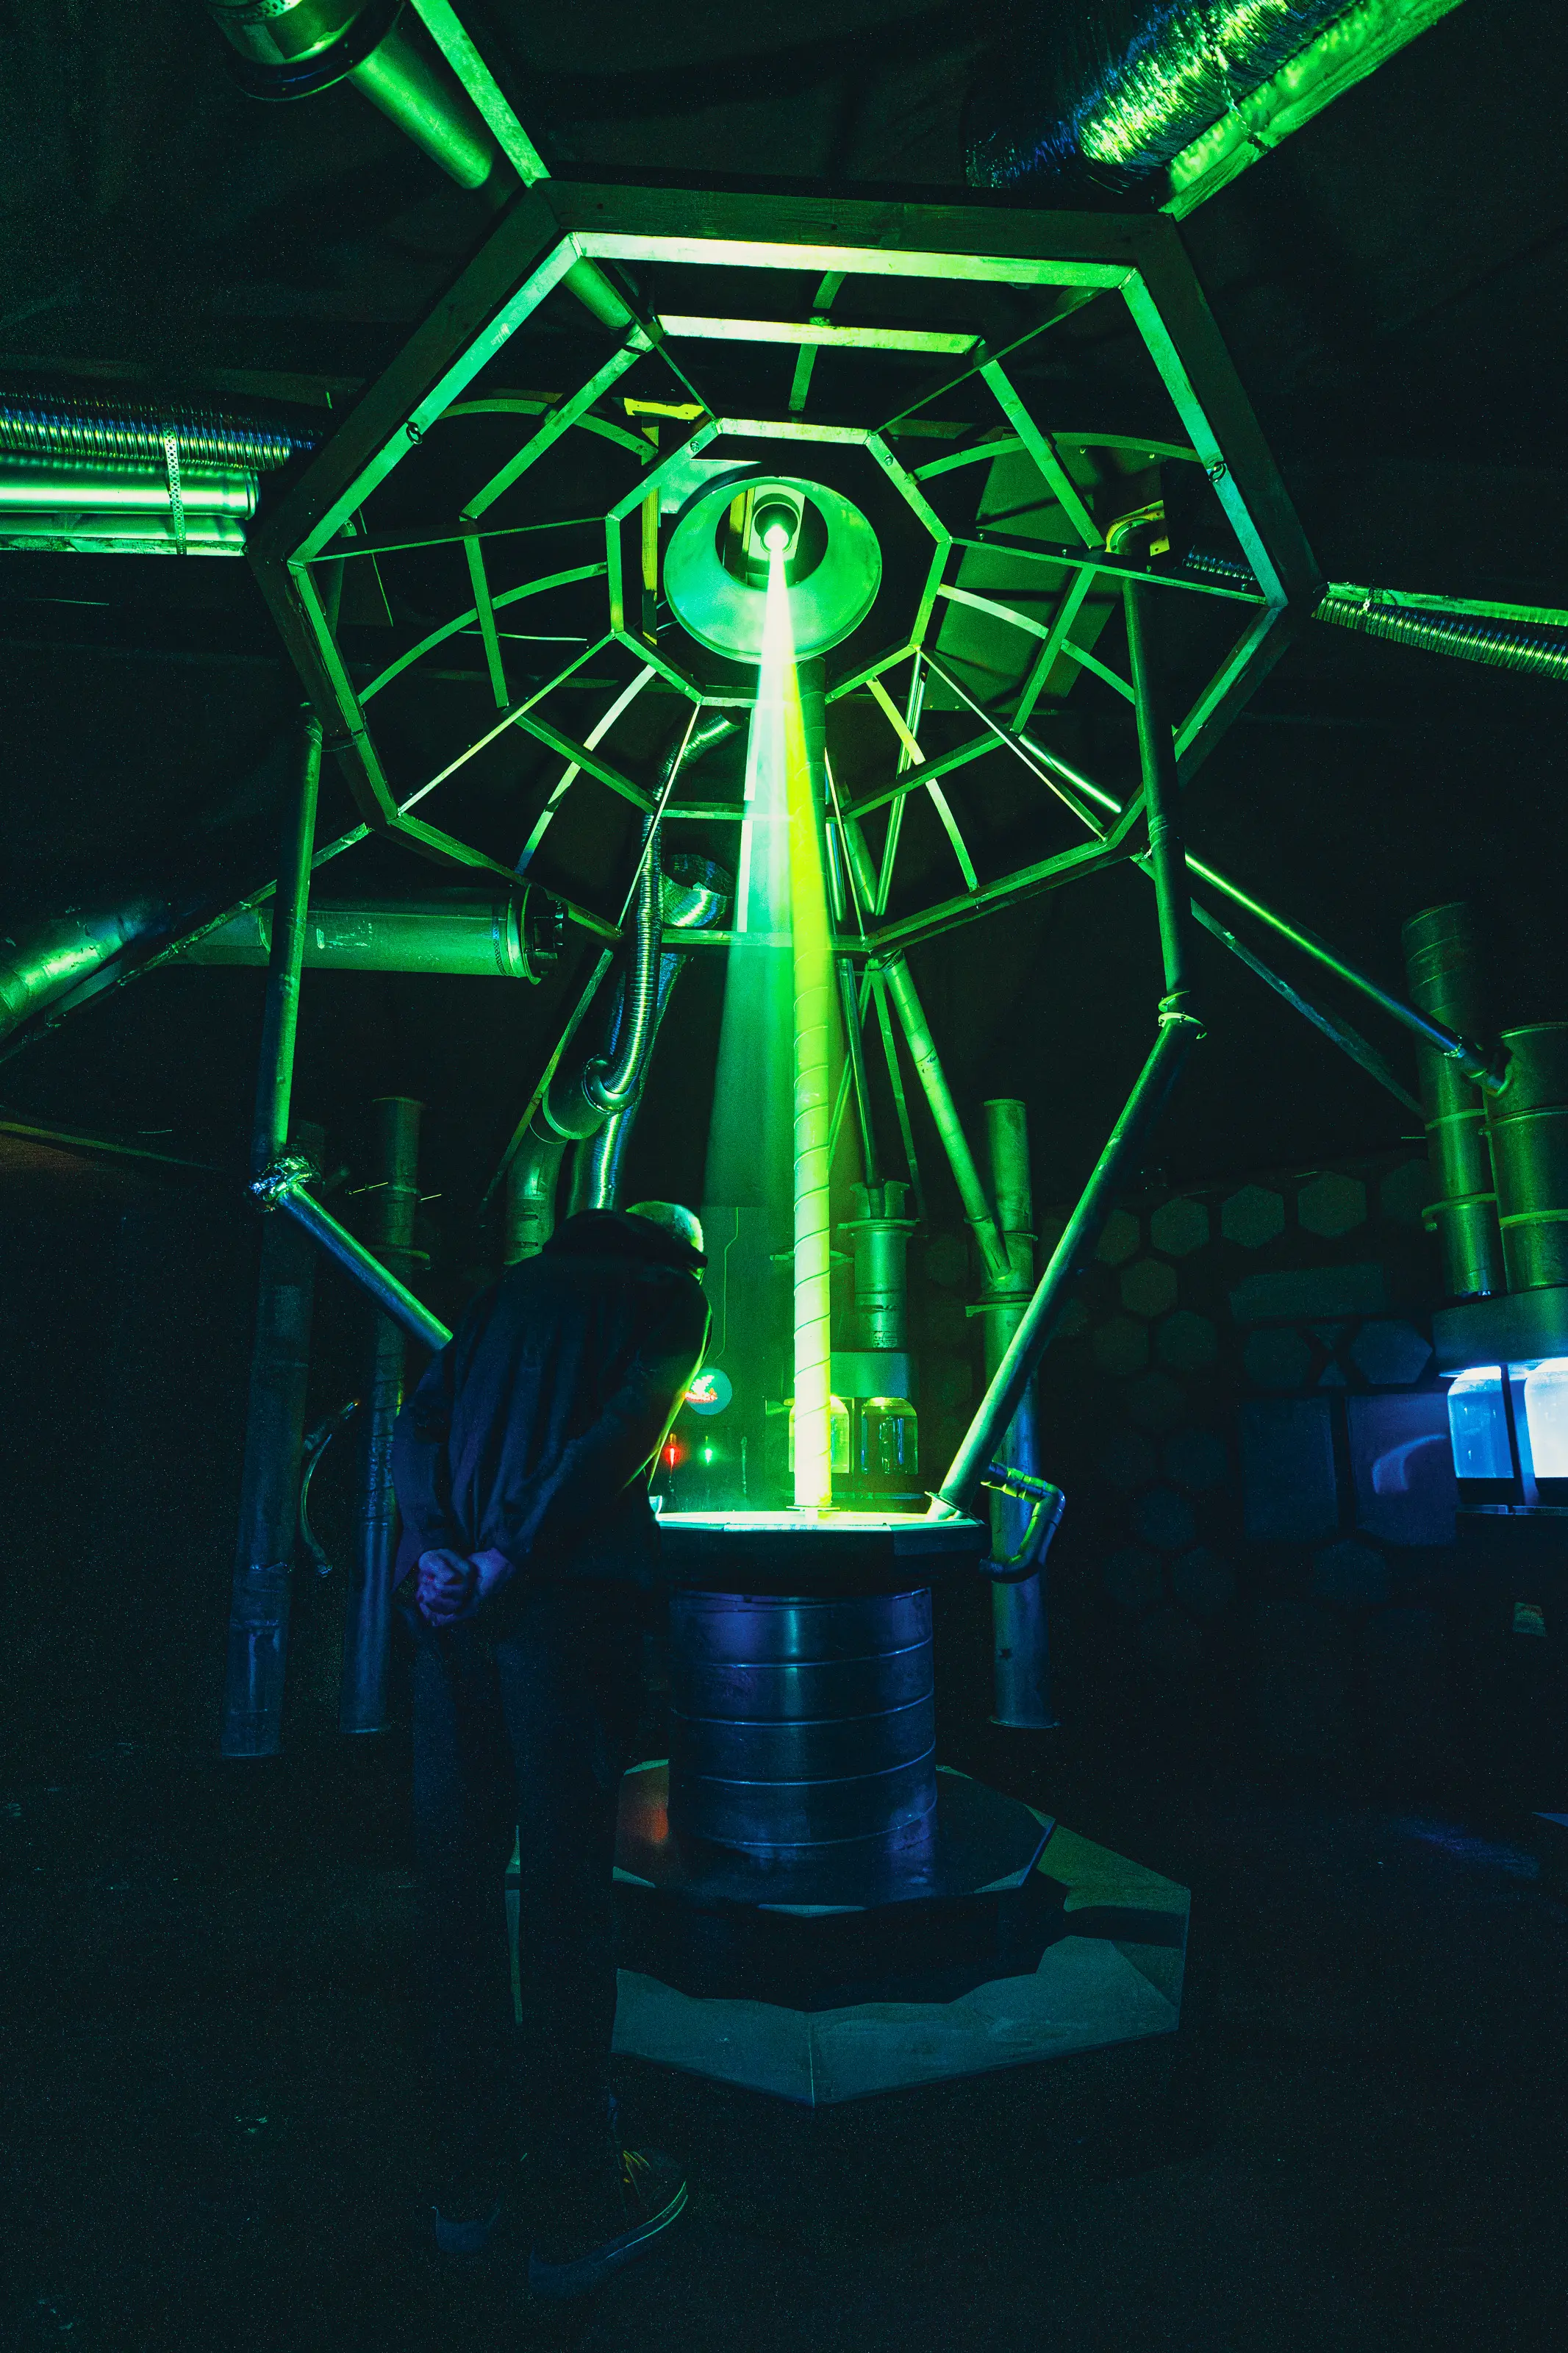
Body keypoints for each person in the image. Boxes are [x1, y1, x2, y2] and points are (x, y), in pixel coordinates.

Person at [390, 1199, 709, 2302]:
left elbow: (416, 1427)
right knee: (570, 1889)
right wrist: (512, 1557)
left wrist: (444, 1554)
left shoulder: (499, 1296)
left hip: (451, 1623)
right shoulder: (672, 1296)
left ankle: (462, 2189)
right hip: (565, 1617)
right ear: (679, 1249)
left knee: (457, 1891)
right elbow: (616, 1439)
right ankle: (578, 2193)